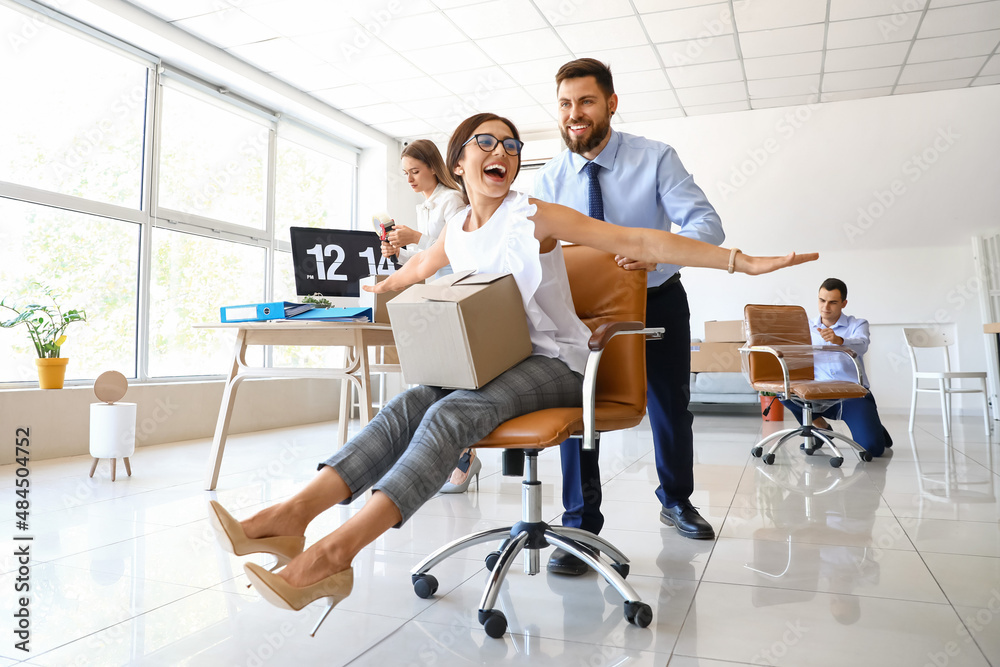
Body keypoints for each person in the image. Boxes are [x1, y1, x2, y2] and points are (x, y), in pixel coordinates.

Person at [207, 112, 817, 628]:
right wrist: (342, 306)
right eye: (488, 143)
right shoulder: (453, 232)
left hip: (557, 365)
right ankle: (291, 518)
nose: (504, 152)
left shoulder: (534, 216)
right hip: (487, 366)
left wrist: (741, 261)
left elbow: (639, 239)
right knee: (407, 404)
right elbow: (404, 279)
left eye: (513, 145)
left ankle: (333, 555)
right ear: (460, 162)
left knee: (450, 413)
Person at [532, 58, 723, 576]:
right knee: (579, 411)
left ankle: (676, 498)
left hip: (655, 299)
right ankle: (580, 521)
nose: (575, 113)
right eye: (566, 104)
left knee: (669, 405)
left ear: (611, 104)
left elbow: (708, 226)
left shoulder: (655, 158)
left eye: (587, 101)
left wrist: (656, 254)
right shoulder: (550, 176)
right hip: (581, 312)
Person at [380, 139, 478, 494]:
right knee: (436, 377)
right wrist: (400, 252)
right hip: (433, 297)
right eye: (405, 174)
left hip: (454, 296)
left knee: (453, 380)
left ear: (434, 168)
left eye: (415, 172)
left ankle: (464, 456)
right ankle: (451, 456)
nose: (409, 179)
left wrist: (417, 238)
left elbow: (458, 253)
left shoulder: (452, 201)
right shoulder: (425, 206)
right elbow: (423, 262)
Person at [780, 278, 892, 456]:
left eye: (833, 302)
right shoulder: (805, 327)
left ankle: (874, 427)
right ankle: (820, 429)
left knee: (872, 450)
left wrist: (839, 341)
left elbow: (862, 345)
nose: (826, 307)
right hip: (816, 394)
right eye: (822, 300)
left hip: (852, 394)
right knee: (783, 393)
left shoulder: (858, 324)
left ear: (844, 303)